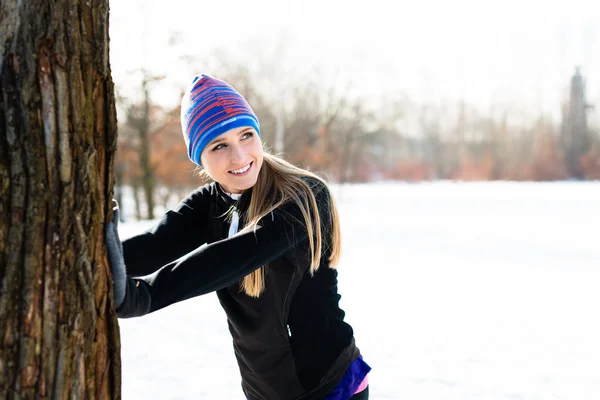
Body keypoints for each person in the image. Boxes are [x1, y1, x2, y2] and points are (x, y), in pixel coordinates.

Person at [105, 74, 370, 400]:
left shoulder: (305, 196)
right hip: (264, 388)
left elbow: (238, 255)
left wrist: (146, 296)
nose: (240, 156)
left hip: (328, 384)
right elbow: (151, 247)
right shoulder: (209, 205)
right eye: (220, 145)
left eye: (246, 135)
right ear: (199, 158)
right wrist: (101, 252)